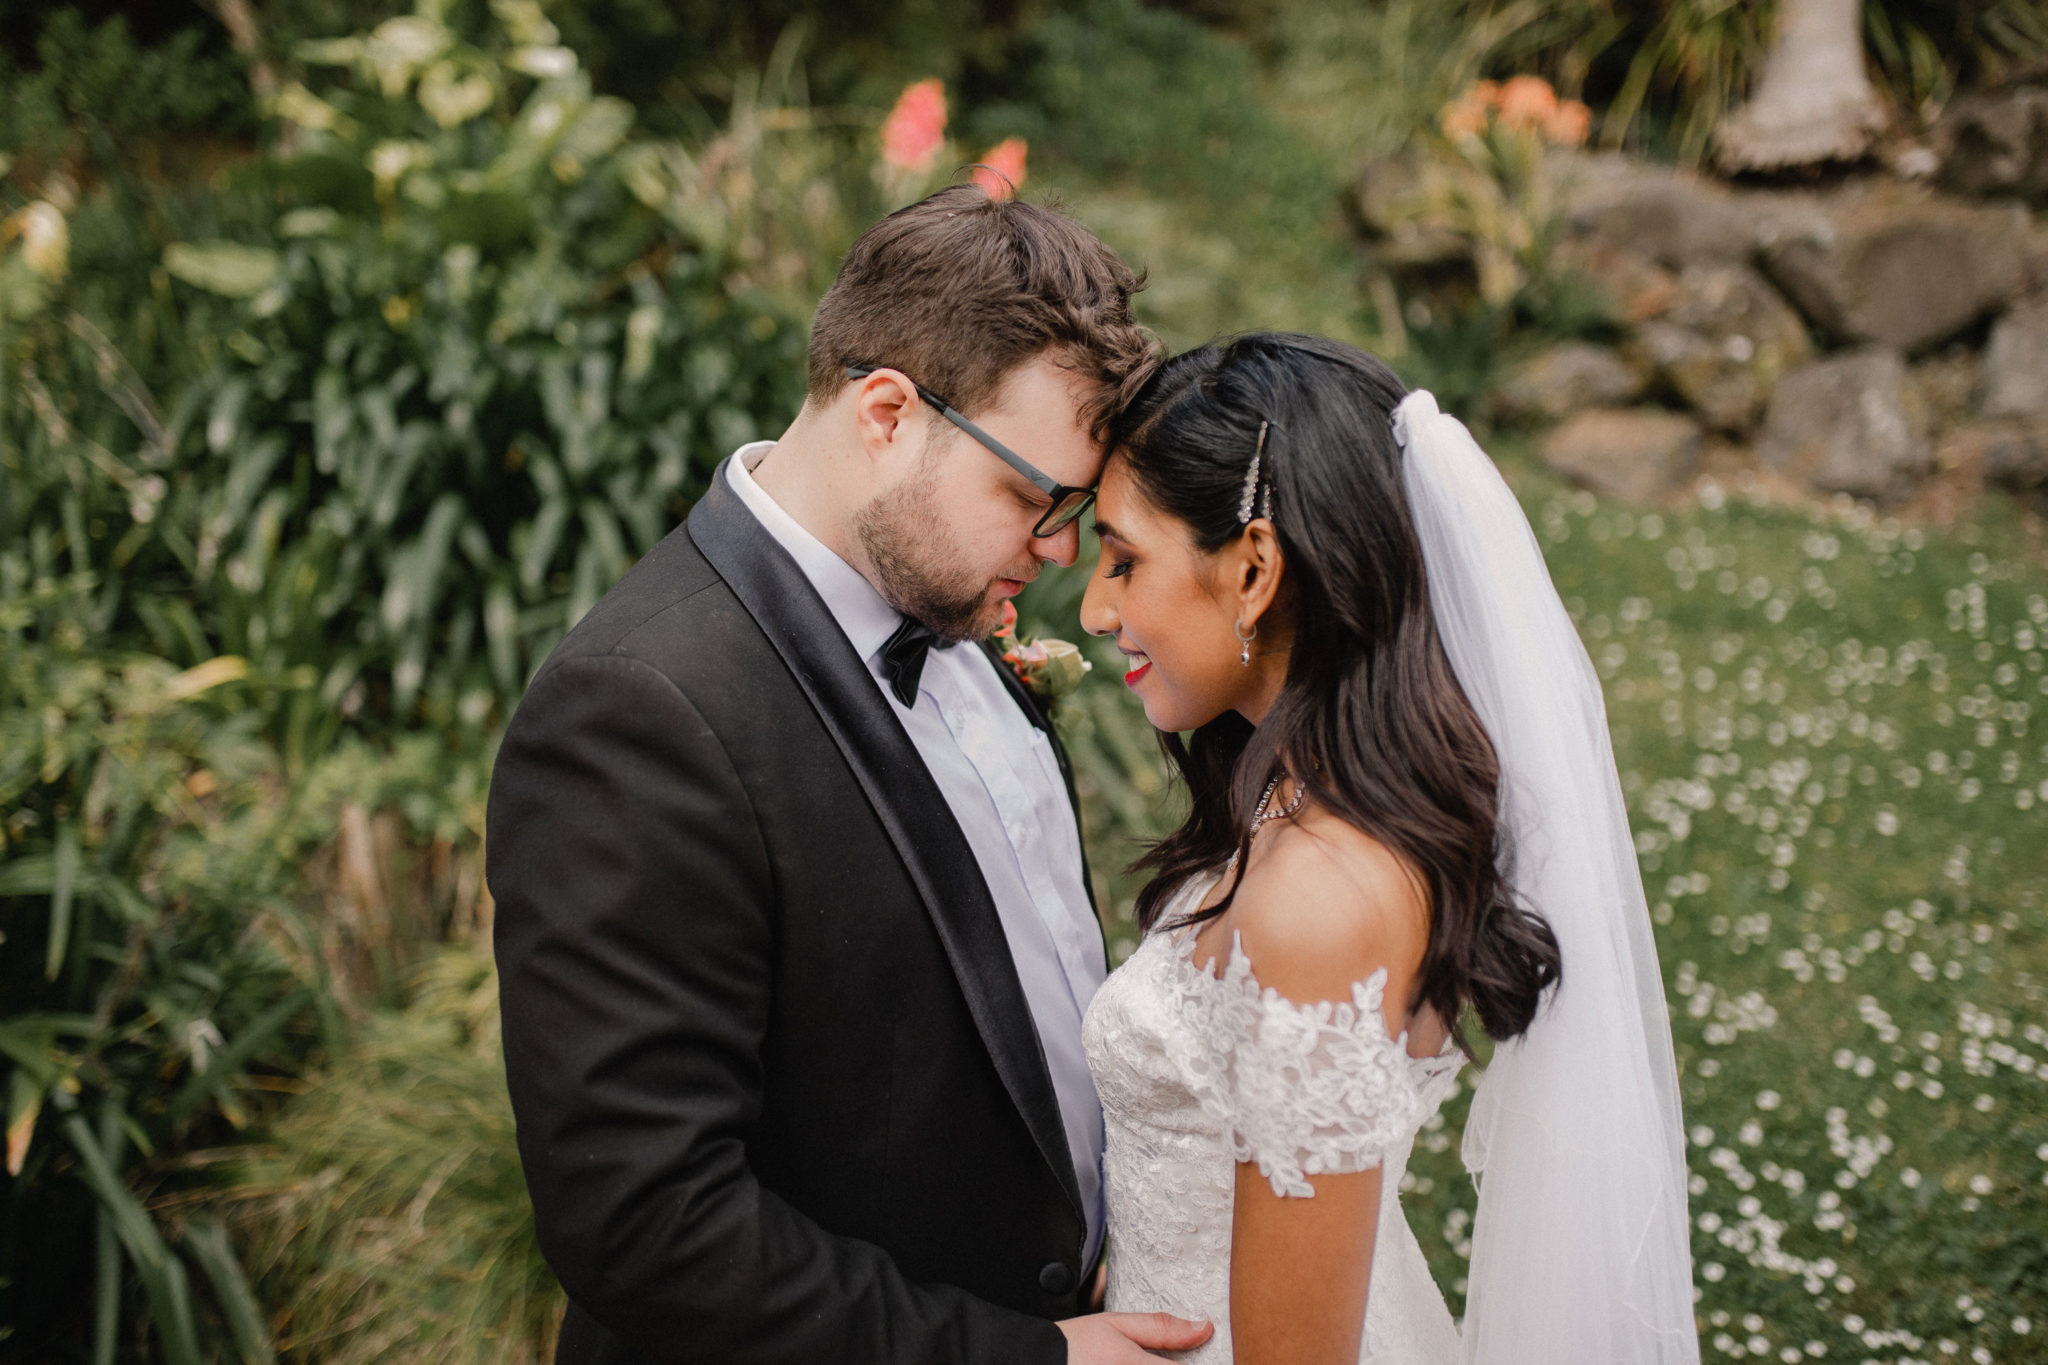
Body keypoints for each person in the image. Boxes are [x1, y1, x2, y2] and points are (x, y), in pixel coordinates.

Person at [486, 185, 1212, 1365]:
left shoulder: (956, 614)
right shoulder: (639, 712)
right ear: (887, 413)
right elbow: (644, 1224)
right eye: (1034, 498)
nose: (1061, 553)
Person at [1077, 332, 1700, 1363]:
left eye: (1124, 560)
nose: (1096, 609)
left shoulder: (1317, 902)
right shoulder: (1294, 794)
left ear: (1253, 570)